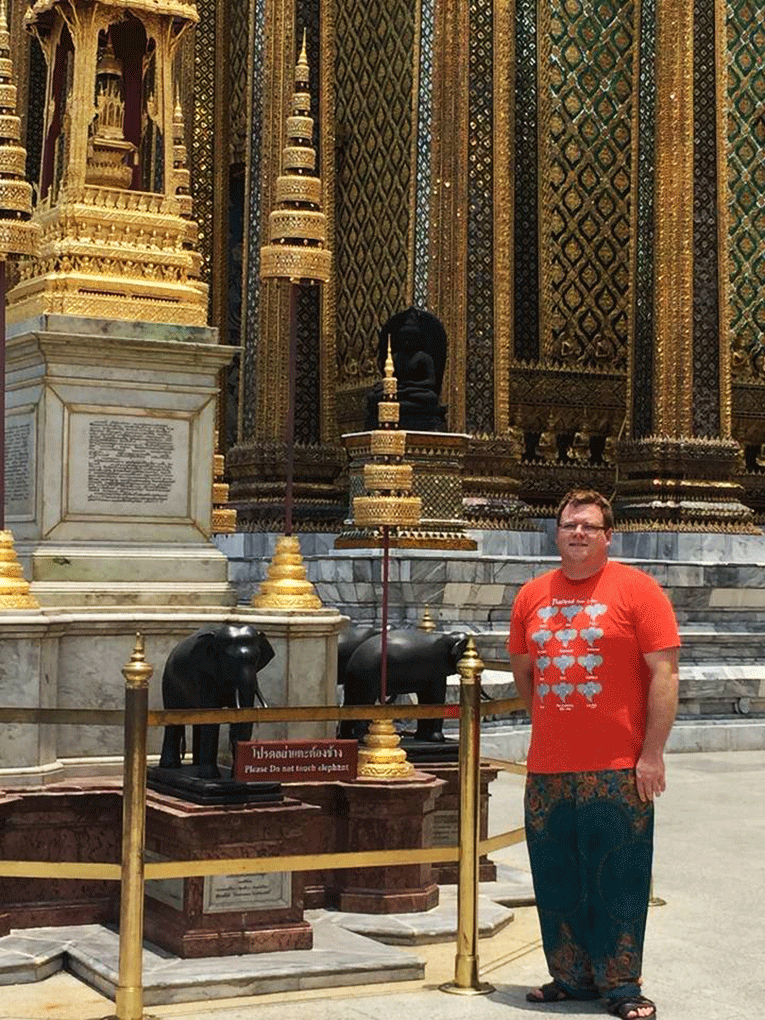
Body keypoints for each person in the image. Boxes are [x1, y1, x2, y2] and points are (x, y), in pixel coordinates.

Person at [507, 488, 680, 1020]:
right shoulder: (532, 594)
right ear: (555, 533)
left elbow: (665, 674)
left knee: (618, 876)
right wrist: (550, 727)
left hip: (618, 766)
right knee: (556, 872)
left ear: (608, 535)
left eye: (588, 526)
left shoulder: (640, 591)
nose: (577, 533)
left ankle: (623, 984)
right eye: (568, 525)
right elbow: (522, 669)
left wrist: (651, 754)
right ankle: (571, 976)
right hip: (550, 763)